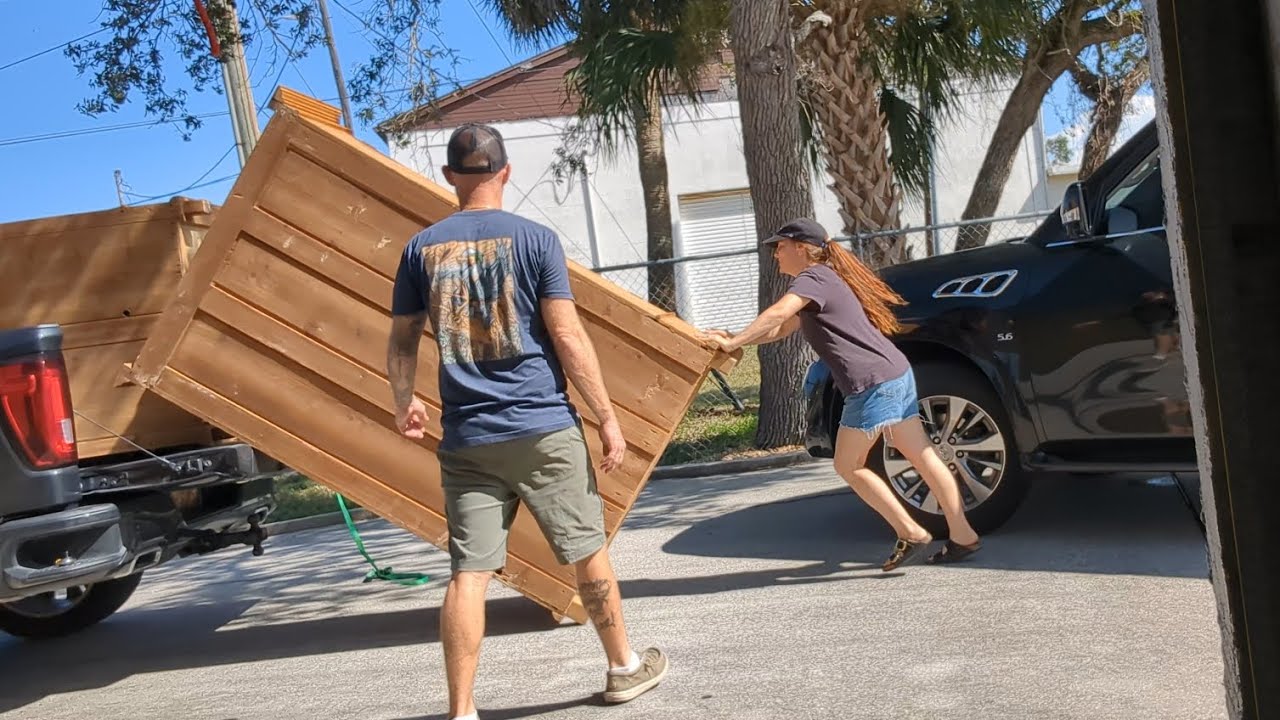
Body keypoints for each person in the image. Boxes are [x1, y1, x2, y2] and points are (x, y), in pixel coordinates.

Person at [386, 122, 668, 720]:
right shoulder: (536, 240)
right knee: (586, 549)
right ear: (506, 171)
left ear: (448, 177)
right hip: (542, 427)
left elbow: (404, 337)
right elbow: (566, 335)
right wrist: (606, 418)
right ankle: (622, 668)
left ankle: (462, 710)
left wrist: (403, 398)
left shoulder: (420, 249)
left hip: (467, 438)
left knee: (469, 572)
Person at [701, 218, 982, 570]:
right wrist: (734, 336)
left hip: (872, 384)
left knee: (848, 465)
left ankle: (911, 531)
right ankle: (963, 536)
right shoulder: (821, 281)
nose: (776, 254)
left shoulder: (813, 278)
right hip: (895, 373)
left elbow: (778, 312)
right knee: (923, 455)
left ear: (801, 248)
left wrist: (732, 341)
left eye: (780, 246)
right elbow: (779, 328)